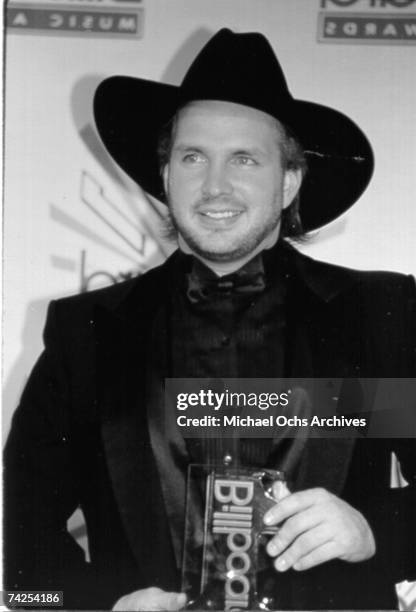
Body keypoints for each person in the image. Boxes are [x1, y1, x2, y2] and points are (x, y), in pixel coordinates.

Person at [4, 28, 415, 611]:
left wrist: (376, 533)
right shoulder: (88, 333)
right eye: (193, 157)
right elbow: (19, 536)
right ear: (166, 176)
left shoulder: (379, 318)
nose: (215, 184)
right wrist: (99, 605)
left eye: (244, 158)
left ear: (290, 179)